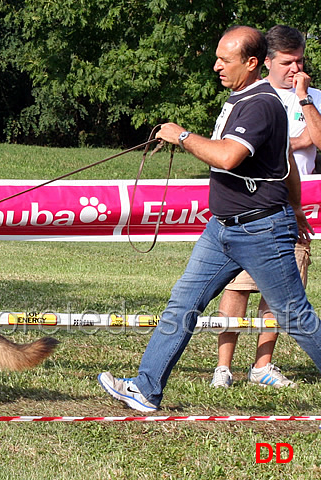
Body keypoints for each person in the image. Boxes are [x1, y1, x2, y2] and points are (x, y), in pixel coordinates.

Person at [98, 25, 321, 412]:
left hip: (261, 229)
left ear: (251, 63)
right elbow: (286, 161)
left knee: (295, 316)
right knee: (182, 303)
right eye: (217, 57)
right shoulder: (242, 99)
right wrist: (298, 206)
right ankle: (146, 389)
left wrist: (181, 136)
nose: (216, 66)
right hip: (222, 228)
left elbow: (227, 157)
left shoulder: (260, 105)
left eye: (225, 59)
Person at [211, 25, 321, 389]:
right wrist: (291, 139)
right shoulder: (252, 96)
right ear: (267, 62)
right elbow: (252, 148)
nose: (296, 69)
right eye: (288, 62)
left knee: (284, 302)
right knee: (237, 288)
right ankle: (223, 367)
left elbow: (316, 141)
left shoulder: (312, 96)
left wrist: (305, 99)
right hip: (253, 211)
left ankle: (262, 365)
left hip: (293, 211)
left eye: (301, 61)